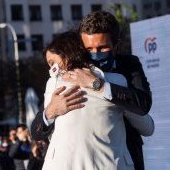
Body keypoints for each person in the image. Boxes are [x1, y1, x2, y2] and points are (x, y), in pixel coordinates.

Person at [31, 10, 152, 170]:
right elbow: (37, 130)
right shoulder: (66, 77)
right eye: (89, 49)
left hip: (123, 154)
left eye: (102, 48)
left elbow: (143, 104)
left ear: (116, 45)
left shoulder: (128, 66)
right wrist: (50, 112)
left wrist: (98, 85)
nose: (95, 54)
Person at [41, 31, 136, 169]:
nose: (52, 70)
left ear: (67, 55)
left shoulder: (54, 83)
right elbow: (147, 126)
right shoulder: (117, 81)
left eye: (53, 64)